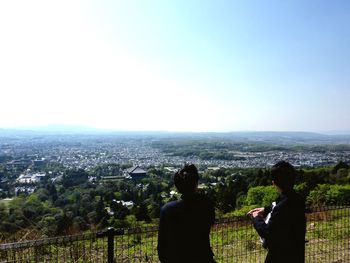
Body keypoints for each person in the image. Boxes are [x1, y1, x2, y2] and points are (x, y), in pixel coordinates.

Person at [247, 161, 306, 263]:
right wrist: (266, 209)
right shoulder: (298, 199)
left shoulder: (281, 207)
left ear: (274, 183)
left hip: (280, 255)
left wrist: (256, 217)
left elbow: (267, 233)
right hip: (296, 252)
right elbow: (282, 206)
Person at [157, 164, 216, 263]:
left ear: (177, 186)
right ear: (196, 183)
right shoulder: (206, 205)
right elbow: (210, 222)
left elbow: (162, 246)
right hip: (203, 257)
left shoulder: (167, 210)